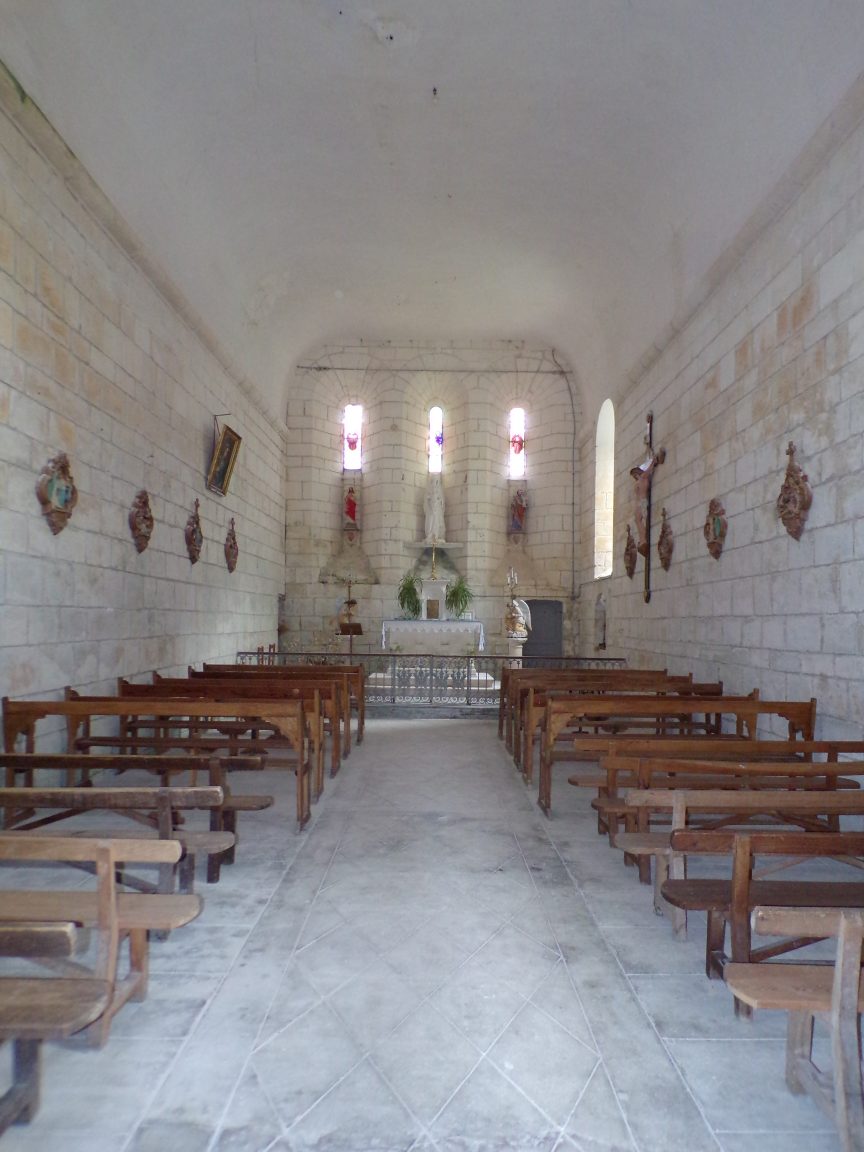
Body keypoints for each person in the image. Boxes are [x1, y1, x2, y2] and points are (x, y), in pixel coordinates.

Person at [630, 448, 665, 556]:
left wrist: (654, 461)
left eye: (636, 473)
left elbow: (649, 470)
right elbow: (649, 470)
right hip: (639, 503)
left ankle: (644, 540)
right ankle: (642, 539)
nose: (635, 476)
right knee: (638, 521)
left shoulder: (643, 477)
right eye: (634, 475)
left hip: (642, 502)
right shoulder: (641, 479)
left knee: (641, 521)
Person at [424, 473, 446, 543]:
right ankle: (430, 535)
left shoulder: (439, 489)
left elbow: (442, 501)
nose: (436, 481)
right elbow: (426, 500)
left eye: (437, 480)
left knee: (437, 522)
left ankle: (436, 535)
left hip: (437, 510)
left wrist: (440, 502)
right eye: (434, 480)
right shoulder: (429, 489)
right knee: (431, 521)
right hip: (431, 510)